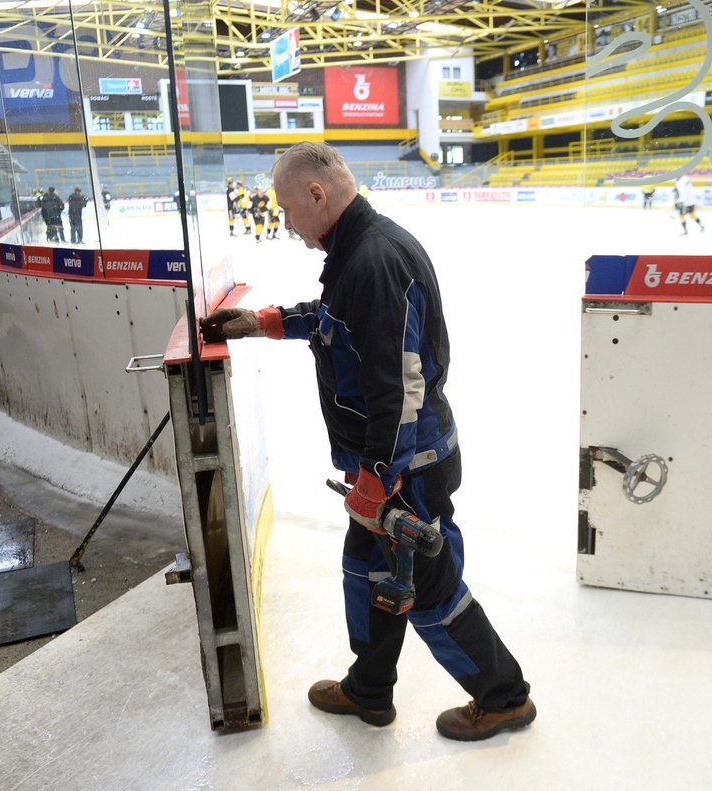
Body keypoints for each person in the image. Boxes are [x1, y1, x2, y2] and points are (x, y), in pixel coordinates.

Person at [199, 142, 535, 742]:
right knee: (368, 570)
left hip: (407, 467)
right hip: (383, 466)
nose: (284, 219)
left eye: (285, 206)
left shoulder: (374, 260)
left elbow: (399, 385)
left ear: (316, 195)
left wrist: (381, 476)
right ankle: (370, 690)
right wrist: (266, 322)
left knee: (427, 588)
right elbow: (337, 325)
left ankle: (504, 696)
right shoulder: (357, 251)